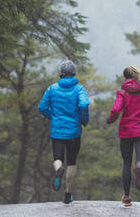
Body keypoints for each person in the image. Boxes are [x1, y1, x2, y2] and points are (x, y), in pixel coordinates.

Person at [107, 65, 140, 207]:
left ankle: (127, 196)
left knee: (126, 163)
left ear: (125, 77)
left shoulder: (122, 92)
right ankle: (139, 168)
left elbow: (115, 109)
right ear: (137, 76)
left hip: (126, 131)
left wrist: (111, 119)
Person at [39, 60, 89, 204]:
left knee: (58, 157)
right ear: (74, 73)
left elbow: (42, 107)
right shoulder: (79, 89)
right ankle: (67, 193)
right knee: (72, 161)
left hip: (57, 130)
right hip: (74, 131)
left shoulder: (52, 89)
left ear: (60, 74)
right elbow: (84, 104)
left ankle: (58, 169)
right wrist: (83, 119)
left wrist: (53, 117)